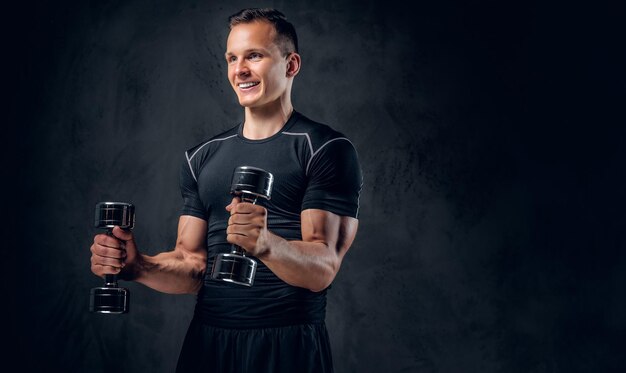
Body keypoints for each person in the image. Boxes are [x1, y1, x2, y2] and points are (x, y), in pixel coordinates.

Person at [90, 8, 362, 373]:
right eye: (232, 58)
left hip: (287, 345)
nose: (239, 70)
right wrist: (140, 266)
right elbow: (194, 265)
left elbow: (323, 268)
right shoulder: (202, 157)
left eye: (254, 55)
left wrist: (266, 244)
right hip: (208, 344)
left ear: (291, 64)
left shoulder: (325, 149)